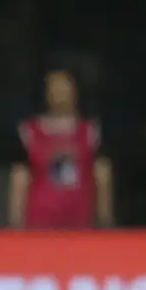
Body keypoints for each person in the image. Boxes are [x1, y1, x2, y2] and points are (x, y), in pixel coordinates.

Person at [8, 69, 113, 229]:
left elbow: (102, 175)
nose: (59, 92)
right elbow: (20, 178)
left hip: (80, 221)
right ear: (46, 93)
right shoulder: (28, 132)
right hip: (39, 222)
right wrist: (15, 224)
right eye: (54, 87)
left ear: (75, 91)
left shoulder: (91, 132)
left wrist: (105, 221)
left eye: (64, 86)